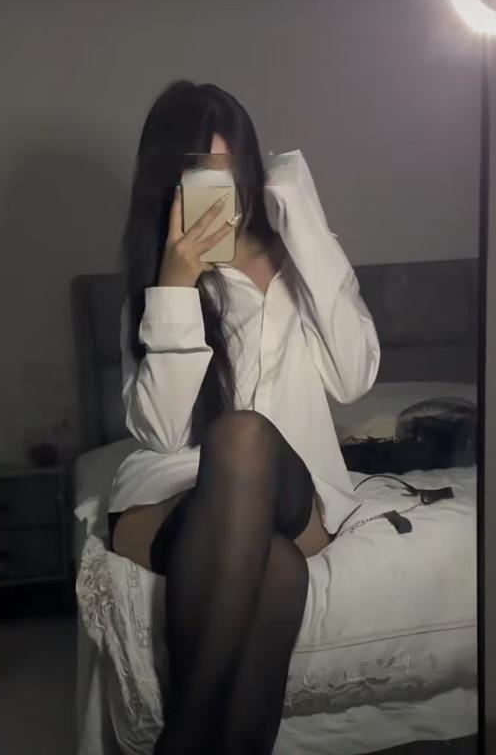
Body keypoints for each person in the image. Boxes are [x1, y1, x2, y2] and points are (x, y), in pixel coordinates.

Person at [105, 79, 381, 755]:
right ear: (170, 185)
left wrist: (304, 221)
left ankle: (180, 740)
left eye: (237, 172)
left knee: (243, 435)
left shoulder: (301, 265)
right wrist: (175, 286)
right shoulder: (156, 285)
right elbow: (163, 433)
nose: (225, 194)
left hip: (294, 492)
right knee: (278, 570)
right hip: (180, 498)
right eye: (204, 177)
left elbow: (354, 377)